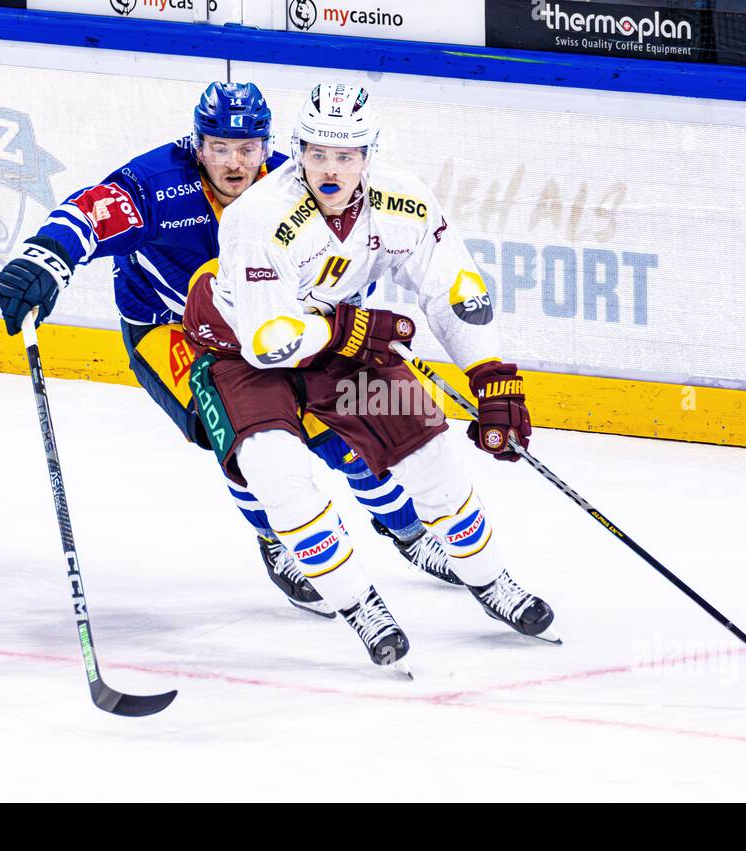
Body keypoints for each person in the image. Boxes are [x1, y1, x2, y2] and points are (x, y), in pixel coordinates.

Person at [0, 82, 460, 619]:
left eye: (247, 147)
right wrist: (46, 257)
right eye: (219, 147)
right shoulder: (156, 182)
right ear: (197, 144)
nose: (234, 162)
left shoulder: (298, 183)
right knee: (238, 437)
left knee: (341, 429)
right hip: (170, 329)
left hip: (269, 325)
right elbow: (89, 215)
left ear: (268, 146)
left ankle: (408, 532)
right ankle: (277, 542)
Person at [182, 83, 558, 671]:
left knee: (433, 457)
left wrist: (493, 378)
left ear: (369, 153)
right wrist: (351, 329)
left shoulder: (403, 200)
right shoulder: (257, 217)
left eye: (346, 155)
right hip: (239, 356)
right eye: (317, 154)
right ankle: (361, 606)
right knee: (275, 471)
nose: (330, 170)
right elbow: (269, 341)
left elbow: (454, 287)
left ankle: (490, 581)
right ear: (297, 150)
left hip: (340, 341)